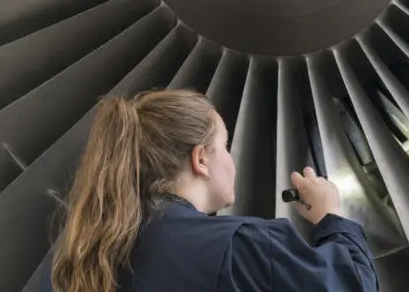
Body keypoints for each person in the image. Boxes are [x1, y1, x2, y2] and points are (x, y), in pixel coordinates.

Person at [48, 89, 379, 292]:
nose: (232, 161)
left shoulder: (79, 256)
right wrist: (331, 218)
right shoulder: (244, 247)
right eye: (225, 145)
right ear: (201, 159)